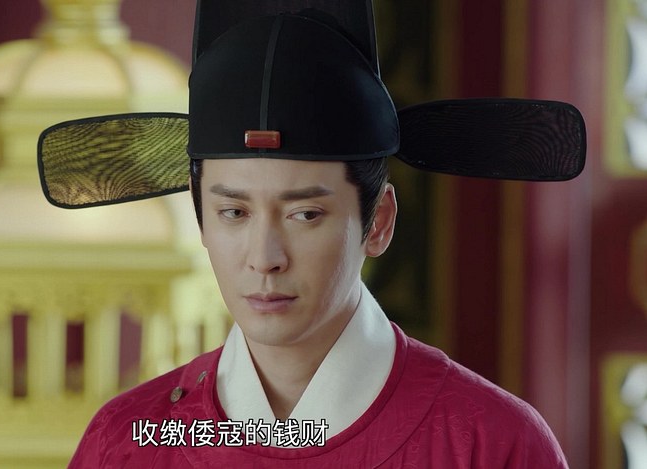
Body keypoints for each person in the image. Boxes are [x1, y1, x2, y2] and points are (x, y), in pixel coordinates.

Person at [38, 1, 586, 467]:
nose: (264, 258)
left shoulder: (488, 443)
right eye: (234, 212)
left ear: (378, 221)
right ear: (199, 216)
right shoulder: (130, 441)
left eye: (305, 215)